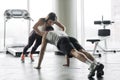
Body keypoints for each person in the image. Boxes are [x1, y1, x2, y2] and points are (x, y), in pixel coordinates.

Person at [34, 30, 104, 78]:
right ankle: (97, 63)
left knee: (74, 52)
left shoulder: (44, 35)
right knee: (83, 51)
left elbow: (42, 51)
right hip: (70, 37)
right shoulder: (57, 31)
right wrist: (67, 63)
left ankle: (91, 65)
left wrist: (38, 65)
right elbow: (67, 49)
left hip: (61, 40)